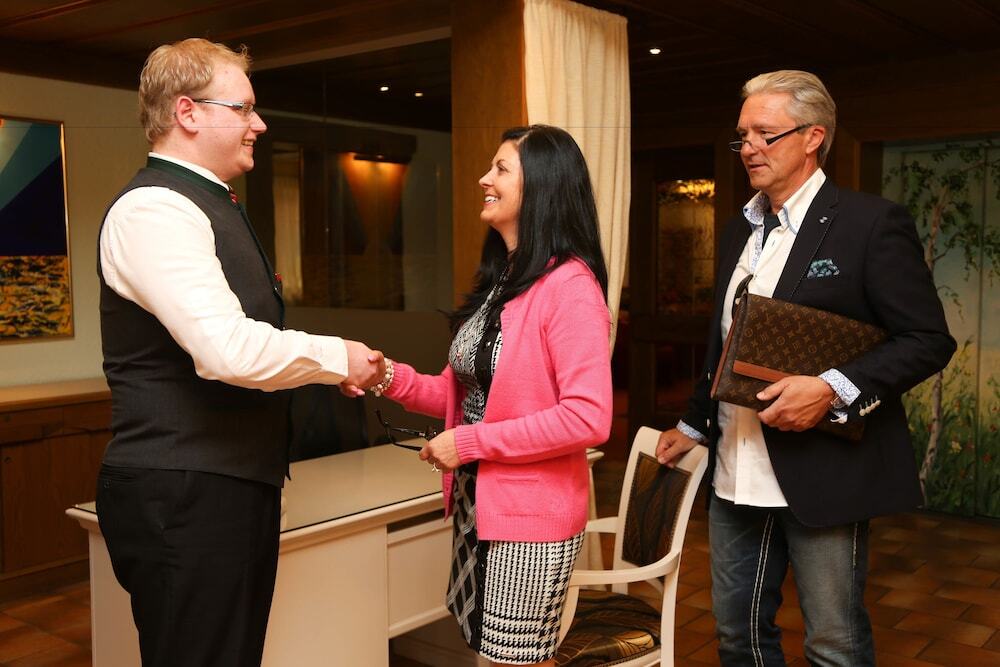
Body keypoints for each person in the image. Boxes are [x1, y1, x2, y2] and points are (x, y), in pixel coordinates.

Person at [95, 38, 385, 667]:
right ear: (188, 112)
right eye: (244, 108)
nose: (260, 124)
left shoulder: (206, 201)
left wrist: (321, 369)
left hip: (226, 485)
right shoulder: (154, 210)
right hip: (186, 491)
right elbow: (226, 350)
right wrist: (338, 357)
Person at [655, 70, 955, 666]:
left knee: (832, 644)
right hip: (734, 472)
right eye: (742, 136)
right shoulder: (739, 228)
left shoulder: (869, 224)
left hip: (824, 470)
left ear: (813, 136)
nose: (749, 148)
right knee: (738, 637)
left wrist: (832, 388)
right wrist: (692, 424)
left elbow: (927, 339)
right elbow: (724, 343)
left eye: (764, 134)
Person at [376, 125, 612, 667]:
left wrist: (468, 443)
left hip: (531, 518)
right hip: (479, 505)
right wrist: (384, 376)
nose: (484, 179)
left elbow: (588, 417)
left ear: (543, 187)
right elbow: (460, 393)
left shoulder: (570, 286)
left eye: (501, 169)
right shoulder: (507, 279)